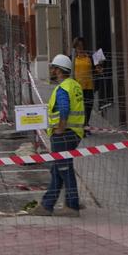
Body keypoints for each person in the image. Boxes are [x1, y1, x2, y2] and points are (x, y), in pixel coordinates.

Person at [38, 53, 87, 215]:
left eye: (53, 67)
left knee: (64, 169)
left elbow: (64, 109)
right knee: (57, 169)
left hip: (63, 135)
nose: (51, 70)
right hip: (75, 133)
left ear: (59, 70)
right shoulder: (75, 85)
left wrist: (60, 128)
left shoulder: (62, 88)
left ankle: (72, 205)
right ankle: (47, 205)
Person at [71, 37, 96, 128]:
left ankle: (85, 125)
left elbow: (96, 70)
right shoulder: (72, 58)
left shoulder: (90, 57)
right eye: (78, 46)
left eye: (82, 45)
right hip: (77, 88)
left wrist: (99, 68)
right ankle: (81, 126)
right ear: (75, 47)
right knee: (80, 108)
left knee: (88, 107)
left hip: (89, 86)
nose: (80, 48)